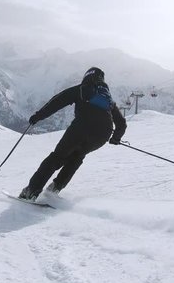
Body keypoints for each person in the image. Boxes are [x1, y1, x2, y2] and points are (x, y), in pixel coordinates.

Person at [19, 67, 127, 201]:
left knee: (57, 157)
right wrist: (115, 138)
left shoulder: (82, 89)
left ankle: (31, 191)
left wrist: (38, 116)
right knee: (77, 157)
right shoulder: (108, 99)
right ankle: (55, 188)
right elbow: (121, 123)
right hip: (102, 135)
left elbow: (57, 102)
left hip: (81, 128)